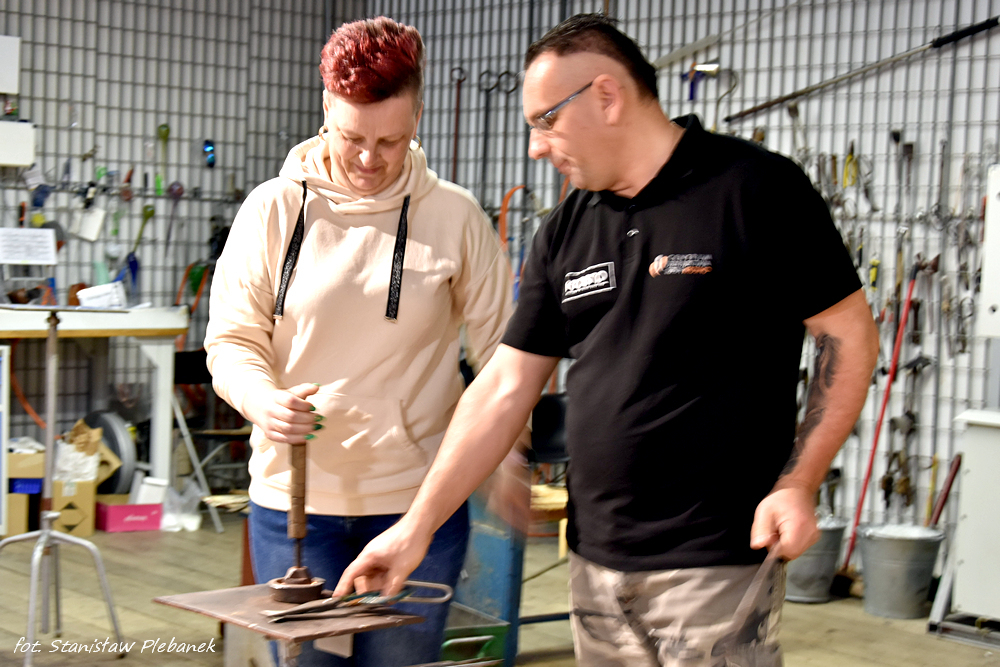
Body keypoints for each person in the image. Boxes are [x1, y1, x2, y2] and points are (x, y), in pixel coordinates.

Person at [335, 13, 880, 667]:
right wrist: (416, 527)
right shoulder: (567, 227)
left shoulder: (754, 189)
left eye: (545, 121)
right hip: (595, 565)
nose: (536, 147)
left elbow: (849, 337)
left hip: (714, 561)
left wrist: (799, 481)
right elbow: (505, 386)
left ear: (606, 96)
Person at [203, 16, 516, 667]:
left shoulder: (456, 217)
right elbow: (231, 340)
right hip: (294, 506)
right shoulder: (271, 210)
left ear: (418, 117)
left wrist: (509, 456)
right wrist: (261, 399)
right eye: (352, 138)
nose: (370, 159)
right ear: (326, 110)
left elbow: (503, 357)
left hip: (418, 508)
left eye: (390, 140)